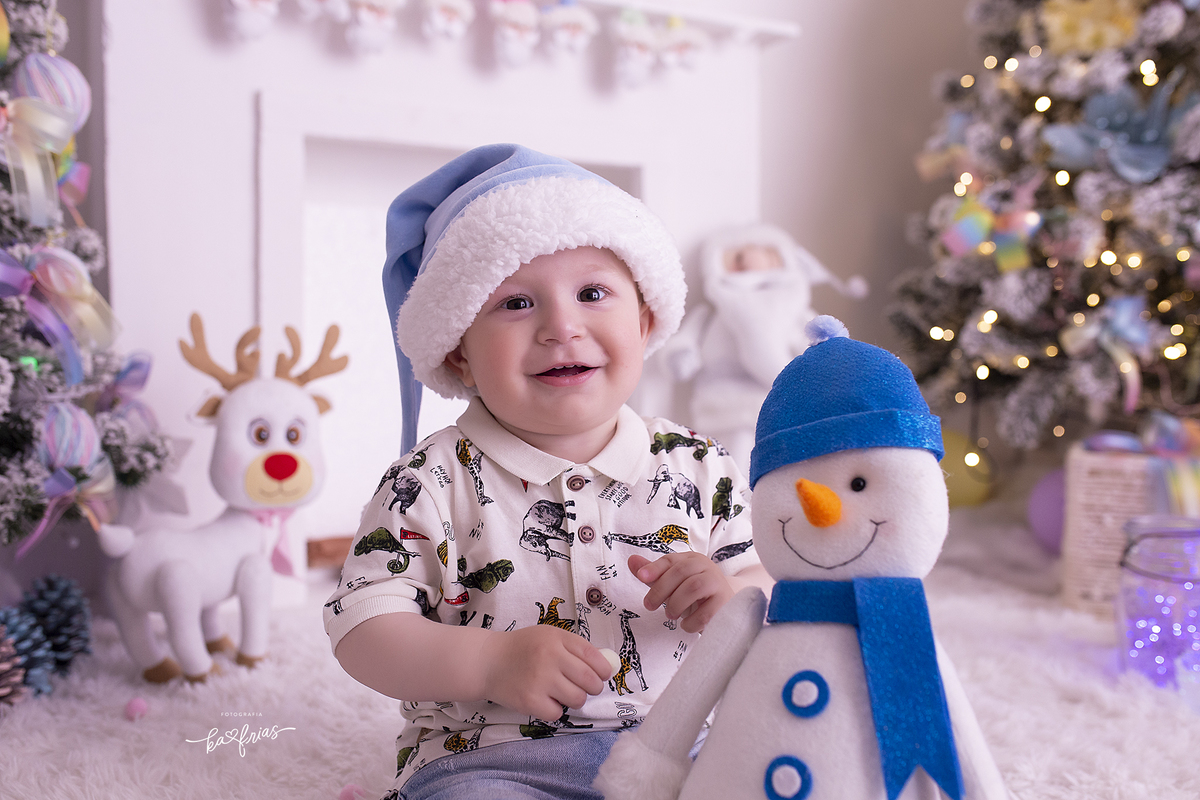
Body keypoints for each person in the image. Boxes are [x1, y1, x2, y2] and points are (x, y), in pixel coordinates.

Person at [325, 144, 771, 800]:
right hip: (488, 761)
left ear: (645, 321)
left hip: (685, 749)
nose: (562, 327)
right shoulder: (430, 481)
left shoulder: (699, 466)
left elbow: (774, 582)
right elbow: (363, 628)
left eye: (593, 293)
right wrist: (490, 664)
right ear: (460, 353)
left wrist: (731, 598)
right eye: (515, 304)